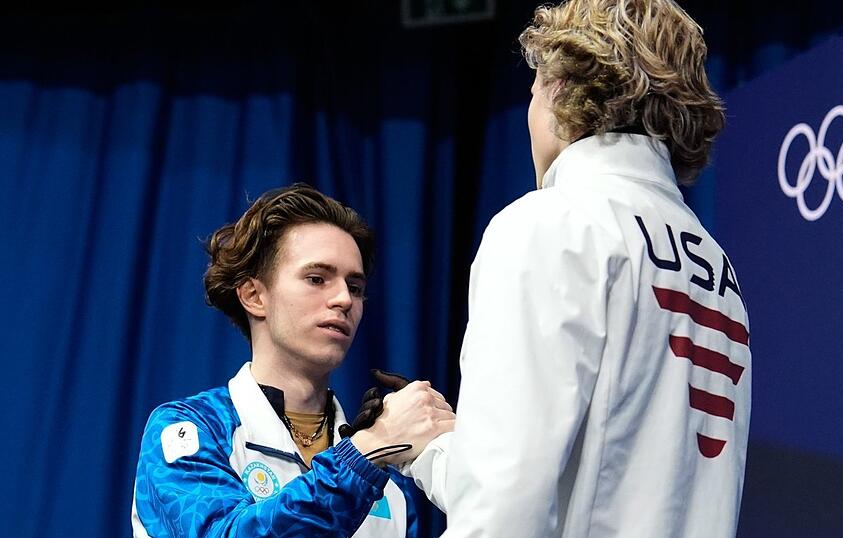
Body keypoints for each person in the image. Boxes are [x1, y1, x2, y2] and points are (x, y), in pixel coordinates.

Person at [402, 1, 752, 536]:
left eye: (533, 90)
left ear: (560, 88)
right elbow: (613, 477)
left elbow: (505, 502)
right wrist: (436, 451)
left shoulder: (552, 224)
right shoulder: (714, 265)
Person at [131, 184, 455, 537]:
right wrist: (367, 451)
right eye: (317, 279)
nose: (344, 299)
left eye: (355, 287)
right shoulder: (190, 428)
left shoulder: (389, 478)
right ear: (254, 296)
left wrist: (455, 451)